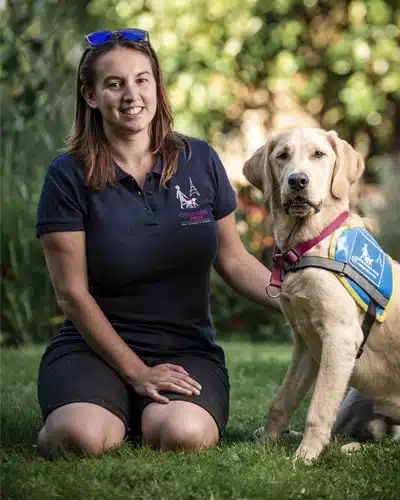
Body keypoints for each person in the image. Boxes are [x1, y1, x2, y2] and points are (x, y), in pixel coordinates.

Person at [35, 28, 280, 457]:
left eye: (142, 79)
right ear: (91, 96)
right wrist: (137, 373)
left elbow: (234, 259)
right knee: (76, 437)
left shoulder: (199, 159)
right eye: (114, 84)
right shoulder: (66, 175)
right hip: (93, 347)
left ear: (156, 86)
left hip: (185, 348)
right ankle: (111, 406)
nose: (132, 94)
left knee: (183, 434)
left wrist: (296, 297)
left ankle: (137, 414)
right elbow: (71, 294)